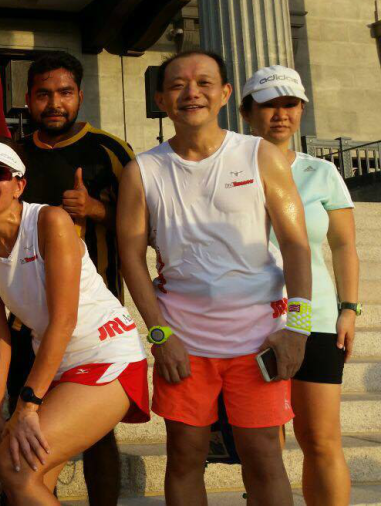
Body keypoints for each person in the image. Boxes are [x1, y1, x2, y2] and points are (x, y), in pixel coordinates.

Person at [117, 50, 313, 506]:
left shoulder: (259, 155)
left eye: (204, 83)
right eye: (178, 85)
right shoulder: (142, 171)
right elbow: (131, 259)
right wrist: (161, 334)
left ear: (225, 94)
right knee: (185, 456)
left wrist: (298, 328)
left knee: (263, 455)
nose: (192, 93)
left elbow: (296, 244)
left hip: (258, 337)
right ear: (162, 99)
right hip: (184, 340)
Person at [0, 136, 148, 505]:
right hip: (61, 366)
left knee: (14, 467)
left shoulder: (50, 220)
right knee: (30, 481)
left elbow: (64, 320)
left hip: (107, 355)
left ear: (19, 185)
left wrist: (28, 405)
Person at [7, 50, 136, 505]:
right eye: (44, 94)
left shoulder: (110, 150)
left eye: (64, 93)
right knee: (24, 431)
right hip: (28, 324)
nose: (54, 103)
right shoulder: (15, 157)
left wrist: (98, 210)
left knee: (97, 436)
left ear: (80, 95)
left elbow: (149, 227)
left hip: (91, 325)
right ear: (28, 98)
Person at [241, 65, 358, 506]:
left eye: (289, 104)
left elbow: (344, 246)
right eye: (268, 105)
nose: (280, 114)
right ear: (246, 111)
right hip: (251, 318)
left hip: (317, 319)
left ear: (302, 109)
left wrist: (350, 307)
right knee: (263, 446)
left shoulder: (321, 172)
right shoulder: (228, 168)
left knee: (321, 441)